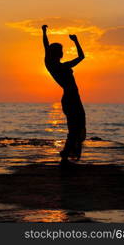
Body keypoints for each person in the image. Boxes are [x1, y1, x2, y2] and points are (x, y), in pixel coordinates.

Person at [42, 25, 86, 161]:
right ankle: (67, 152)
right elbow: (81, 56)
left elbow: (81, 57)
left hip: (72, 98)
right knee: (75, 126)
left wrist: (44, 32)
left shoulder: (57, 65)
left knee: (77, 125)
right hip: (70, 98)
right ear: (57, 53)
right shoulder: (57, 66)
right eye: (61, 50)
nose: (63, 52)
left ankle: (70, 151)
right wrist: (76, 41)